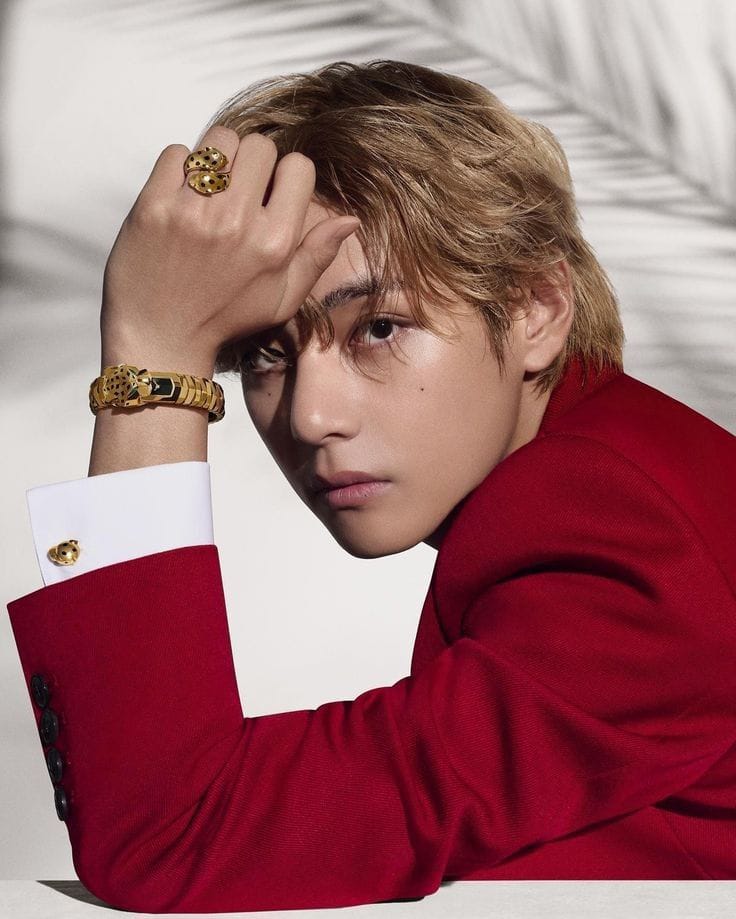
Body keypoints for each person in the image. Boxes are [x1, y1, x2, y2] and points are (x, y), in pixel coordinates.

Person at [6, 59, 736, 912]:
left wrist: (154, 357)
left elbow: (172, 832)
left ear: (537, 309)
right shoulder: (623, 466)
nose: (310, 415)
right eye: (264, 353)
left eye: (379, 327)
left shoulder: (613, 526)